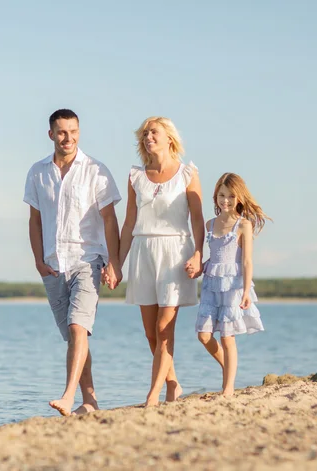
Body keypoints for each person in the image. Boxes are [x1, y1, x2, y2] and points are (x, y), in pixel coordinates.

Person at [23, 109, 122, 416]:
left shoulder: (96, 170)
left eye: (74, 131)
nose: (69, 138)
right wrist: (39, 261)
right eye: (62, 132)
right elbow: (35, 221)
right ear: (51, 134)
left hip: (87, 260)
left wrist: (114, 262)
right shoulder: (38, 172)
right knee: (74, 337)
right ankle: (89, 401)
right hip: (53, 266)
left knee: (79, 328)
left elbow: (109, 220)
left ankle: (67, 396)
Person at [118, 116, 204, 407]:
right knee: (149, 330)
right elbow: (129, 223)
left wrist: (198, 253)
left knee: (165, 327)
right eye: (144, 134)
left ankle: (152, 395)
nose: (147, 137)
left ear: (169, 137)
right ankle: (173, 383)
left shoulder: (187, 174)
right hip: (143, 252)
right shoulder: (135, 176)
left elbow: (197, 219)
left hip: (175, 252)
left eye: (153, 132)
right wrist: (117, 262)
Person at [195, 172, 269, 396]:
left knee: (227, 337)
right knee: (204, 335)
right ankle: (229, 368)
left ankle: (227, 388)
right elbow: (212, 256)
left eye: (230, 196)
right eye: (221, 195)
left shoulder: (243, 225)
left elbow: (246, 261)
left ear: (239, 198)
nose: (225, 200)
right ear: (215, 197)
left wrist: (246, 291)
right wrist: (198, 266)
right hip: (211, 284)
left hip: (233, 287)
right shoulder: (209, 224)